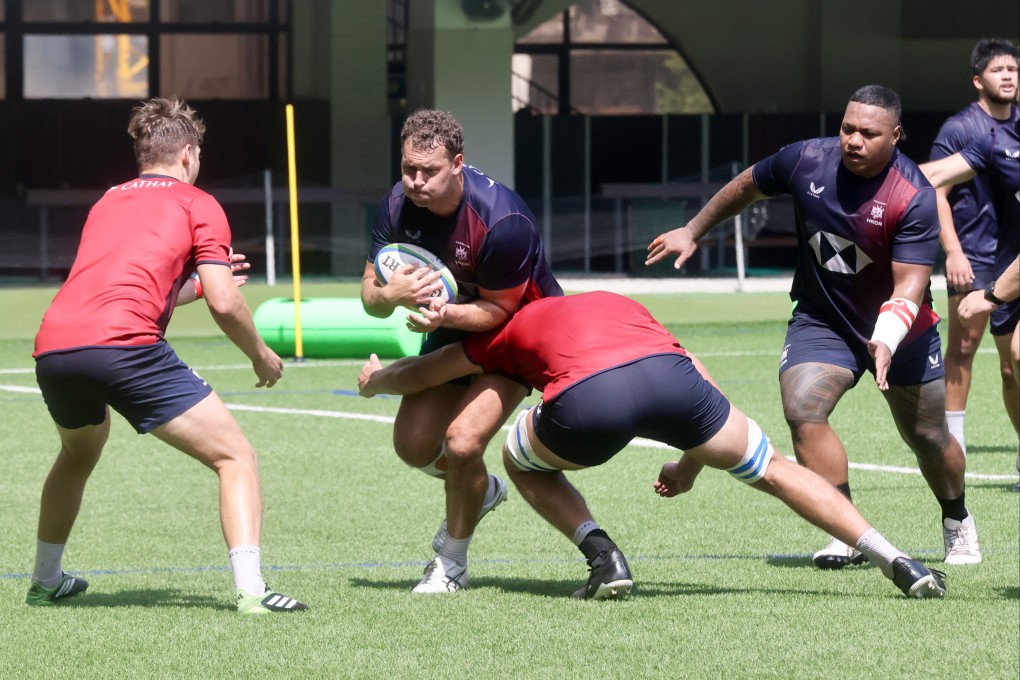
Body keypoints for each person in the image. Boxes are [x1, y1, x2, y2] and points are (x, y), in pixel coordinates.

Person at [358, 291, 948, 601]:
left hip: (591, 398)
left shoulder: (507, 331)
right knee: (774, 469)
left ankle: (603, 557)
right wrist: (690, 462)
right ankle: (896, 557)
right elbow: (694, 368)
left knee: (516, 460)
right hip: (676, 384)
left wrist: (378, 380)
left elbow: (429, 372)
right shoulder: (618, 303)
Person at [646, 85, 982, 568]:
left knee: (928, 437)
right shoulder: (804, 160)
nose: (853, 140)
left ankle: (956, 518)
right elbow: (746, 184)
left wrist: (885, 340)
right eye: (848, 128)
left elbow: (909, 286)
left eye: (869, 133)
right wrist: (692, 230)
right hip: (822, 317)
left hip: (901, 330)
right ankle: (847, 532)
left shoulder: (913, 196)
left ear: (896, 136)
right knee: (803, 406)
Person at [28, 97, 307, 614]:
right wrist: (261, 355)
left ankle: (45, 580)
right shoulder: (198, 202)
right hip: (125, 349)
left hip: (56, 349)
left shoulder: (109, 199)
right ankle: (252, 591)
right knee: (235, 457)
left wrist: (194, 287)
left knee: (77, 454)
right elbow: (229, 302)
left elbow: (126, 288)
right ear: (187, 153)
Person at [361, 109, 562, 593]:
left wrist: (443, 314)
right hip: (452, 322)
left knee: (463, 441)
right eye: (408, 168)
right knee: (412, 445)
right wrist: (391, 296)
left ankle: (452, 563)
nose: (415, 181)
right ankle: (481, 490)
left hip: (518, 331)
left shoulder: (501, 220)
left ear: (458, 164)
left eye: (428, 171)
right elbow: (370, 296)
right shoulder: (396, 204)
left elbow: (497, 312)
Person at [927, 39, 1018, 455]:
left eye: (1013, 70)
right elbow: (936, 187)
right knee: (964, 346)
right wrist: (953, 251)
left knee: (1011, 361)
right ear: (978, 79)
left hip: (1010, 254)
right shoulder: (963, 129)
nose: (1009, 76)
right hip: (976, 253)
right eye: (999, 70)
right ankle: (954, 443)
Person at [921, 119, 1020, 490]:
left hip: (1005, 279)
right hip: (1008, 264)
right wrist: (871, 174)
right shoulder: (998, 140)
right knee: (1010, 369)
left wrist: (991, 296)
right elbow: (934, 175)